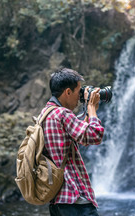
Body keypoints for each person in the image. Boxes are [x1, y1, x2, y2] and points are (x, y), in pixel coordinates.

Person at [39, 68, 104, 216]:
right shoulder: (63, 114)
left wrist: (89, 114)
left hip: (58, 201)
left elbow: (77, 140)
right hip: (75, 200)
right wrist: (92, 108)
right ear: (68, 92)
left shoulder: (46, 113)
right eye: (78, 92)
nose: (79, 97)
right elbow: (95, 135)